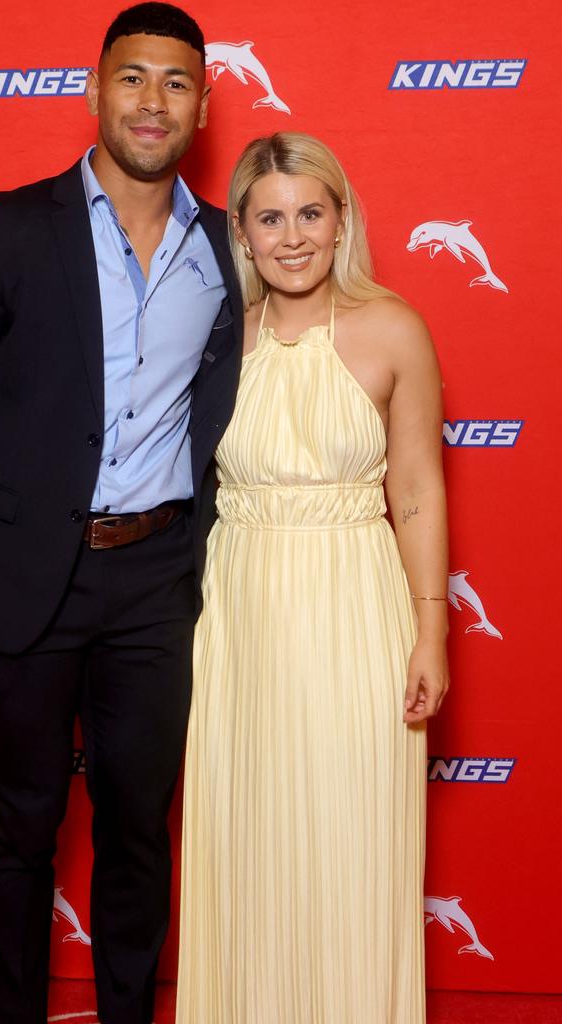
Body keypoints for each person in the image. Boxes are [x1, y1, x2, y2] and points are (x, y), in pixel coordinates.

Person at [0, 5, 242, 1023]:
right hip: (15, 572)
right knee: (20, 827)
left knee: (138, 828)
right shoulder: (2, 227)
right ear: (95, 91)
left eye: (176, 82)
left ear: (203, 105)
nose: (152, 100)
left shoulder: (230, 251)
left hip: (155, 581)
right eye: (132, 77)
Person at [176, 132, 449, 1023]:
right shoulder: (216, 338)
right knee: (248, 838)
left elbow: (414, 490)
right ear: (243, 234)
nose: (290, 236)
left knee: (351, 839)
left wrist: (432, 632)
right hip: (243, 609)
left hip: (354, 609)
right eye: (268, 217)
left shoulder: (394, 327)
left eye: (309, 213)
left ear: (340, 222)